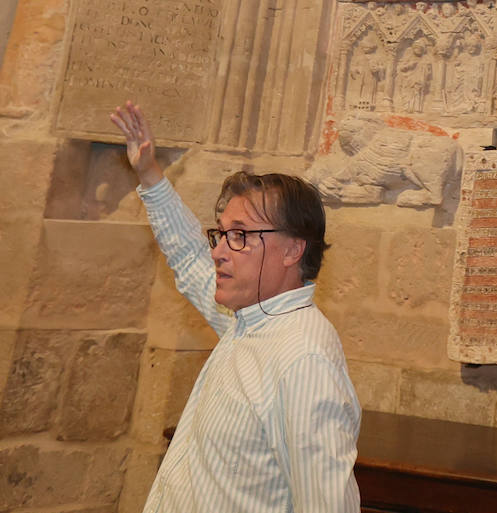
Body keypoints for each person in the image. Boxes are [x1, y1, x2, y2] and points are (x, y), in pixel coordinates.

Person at [109, 100, 360, 513]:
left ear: (293, 249)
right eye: (222, 234)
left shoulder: (303, 359)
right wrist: (150, 175)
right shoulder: (245, 322)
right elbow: (191, 257)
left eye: (240, 235)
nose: (220, 252)